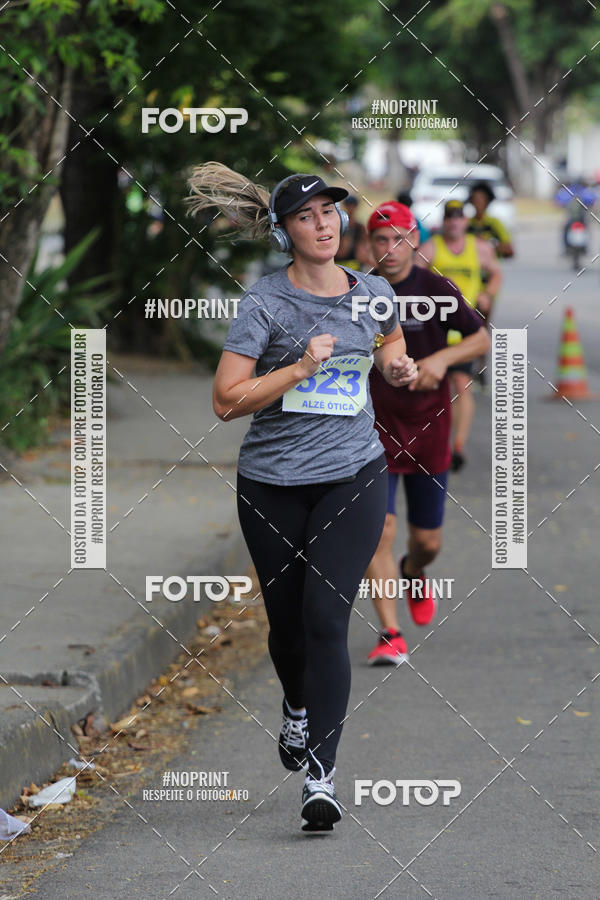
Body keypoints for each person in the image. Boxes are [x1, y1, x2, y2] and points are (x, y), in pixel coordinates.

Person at [185, 163, 417, 832]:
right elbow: (226, 402)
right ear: (286, 232)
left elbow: (389, 342)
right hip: (272, 484)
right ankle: (295, 708)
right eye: (308, 216)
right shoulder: (265, 303)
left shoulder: (373, 291)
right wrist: (297, 368)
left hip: (354, 474)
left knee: (324, 617)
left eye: (331, 212)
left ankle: (323, 776)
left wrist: (395, 364)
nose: (324, 224)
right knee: (286, 628)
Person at [364, 202, 489, 663]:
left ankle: (414, 571)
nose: (390, 249)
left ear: (415, 242)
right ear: (368, 245)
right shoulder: (358, 290)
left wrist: (441, 360)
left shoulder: (436, 288)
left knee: (427, 543)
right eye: (381, 239)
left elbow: (481, 337)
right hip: (373, 428)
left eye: (399, 238)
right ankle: (389, 632)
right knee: (380, 532)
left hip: (429, 428)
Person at [417, 200, 501, 471]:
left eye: (458, 217)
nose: (454, 222)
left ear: (465, 221)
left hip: (465, 328)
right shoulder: (431, 248)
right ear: (444, 222)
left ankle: (458, 446)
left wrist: (488, 293)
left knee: (462, 384)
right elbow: (412, 278)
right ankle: (428, 442)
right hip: (435, 329)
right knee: (429, 386)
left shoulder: (480, 248)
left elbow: (496, 273)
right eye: (449, 217)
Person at [467, 182, 514, 258]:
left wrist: (488, 243)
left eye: (481, 200)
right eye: (475, 200)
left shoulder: (494, 223)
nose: (478, 203)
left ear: (487, 202)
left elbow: (510, 250)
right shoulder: (467, 224)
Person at [334, 195, 370, 269]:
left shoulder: (360, 227)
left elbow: (363, 251)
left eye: (352, 206)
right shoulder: (339, 225)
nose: (351, 208)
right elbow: (342, 252)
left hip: (354, 265)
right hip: (338, 265)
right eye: (348, 206)